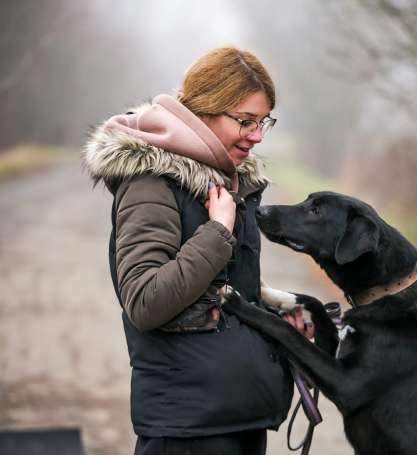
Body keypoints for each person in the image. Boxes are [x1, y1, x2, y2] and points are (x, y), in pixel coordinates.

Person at [83, 47, 313, 455]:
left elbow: (220, 290)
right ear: (205, 109)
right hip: (188, 432)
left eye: (264, 122)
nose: (257, 136)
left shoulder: (228, 181)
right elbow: (145, 299)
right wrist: (217, 232)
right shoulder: (150, 182)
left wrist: (276, 314)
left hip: (237, 419)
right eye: (245, 121)